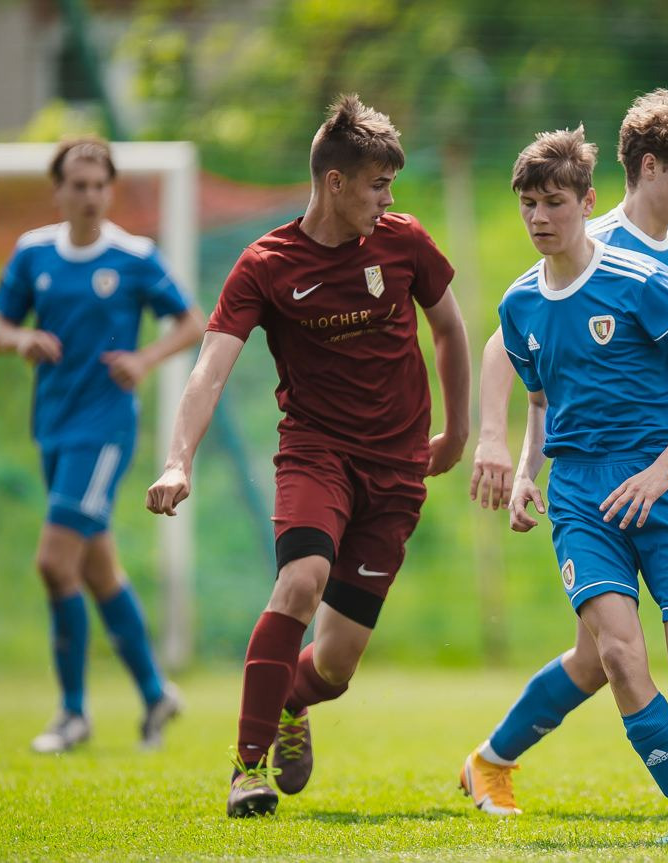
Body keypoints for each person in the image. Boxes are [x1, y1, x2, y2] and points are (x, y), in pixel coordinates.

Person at [462, 90, 668, 809]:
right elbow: (513, 348)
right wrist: (504, 448)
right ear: (649, 168)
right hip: (602, 471)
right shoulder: (591, 241)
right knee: (602, 657)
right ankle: (492, 759)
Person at [145, 94, 470, 818]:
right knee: (301, 580)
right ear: (335, 182)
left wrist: (457, 433)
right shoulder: (265, 265)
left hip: (397, 472)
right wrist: (177, 460)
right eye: (378, 185)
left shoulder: (404, 243)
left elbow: (450, 330)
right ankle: (246, 768)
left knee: (335, 666)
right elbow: (211, 369)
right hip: (316, 456)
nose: (389, 200)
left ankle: (290, 700)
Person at [0, 136, 203, 753]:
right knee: (96, 568)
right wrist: (22, 341)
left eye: (99, 185)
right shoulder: (33, 253)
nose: (89, 195)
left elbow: (191, 322)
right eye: (78, 185)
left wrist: (144, 359)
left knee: (54, 562)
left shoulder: (134, 257)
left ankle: (73, 714)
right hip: (53, 425)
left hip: (104, 429)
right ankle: (156, 694)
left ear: (110, 191)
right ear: (58, 191)